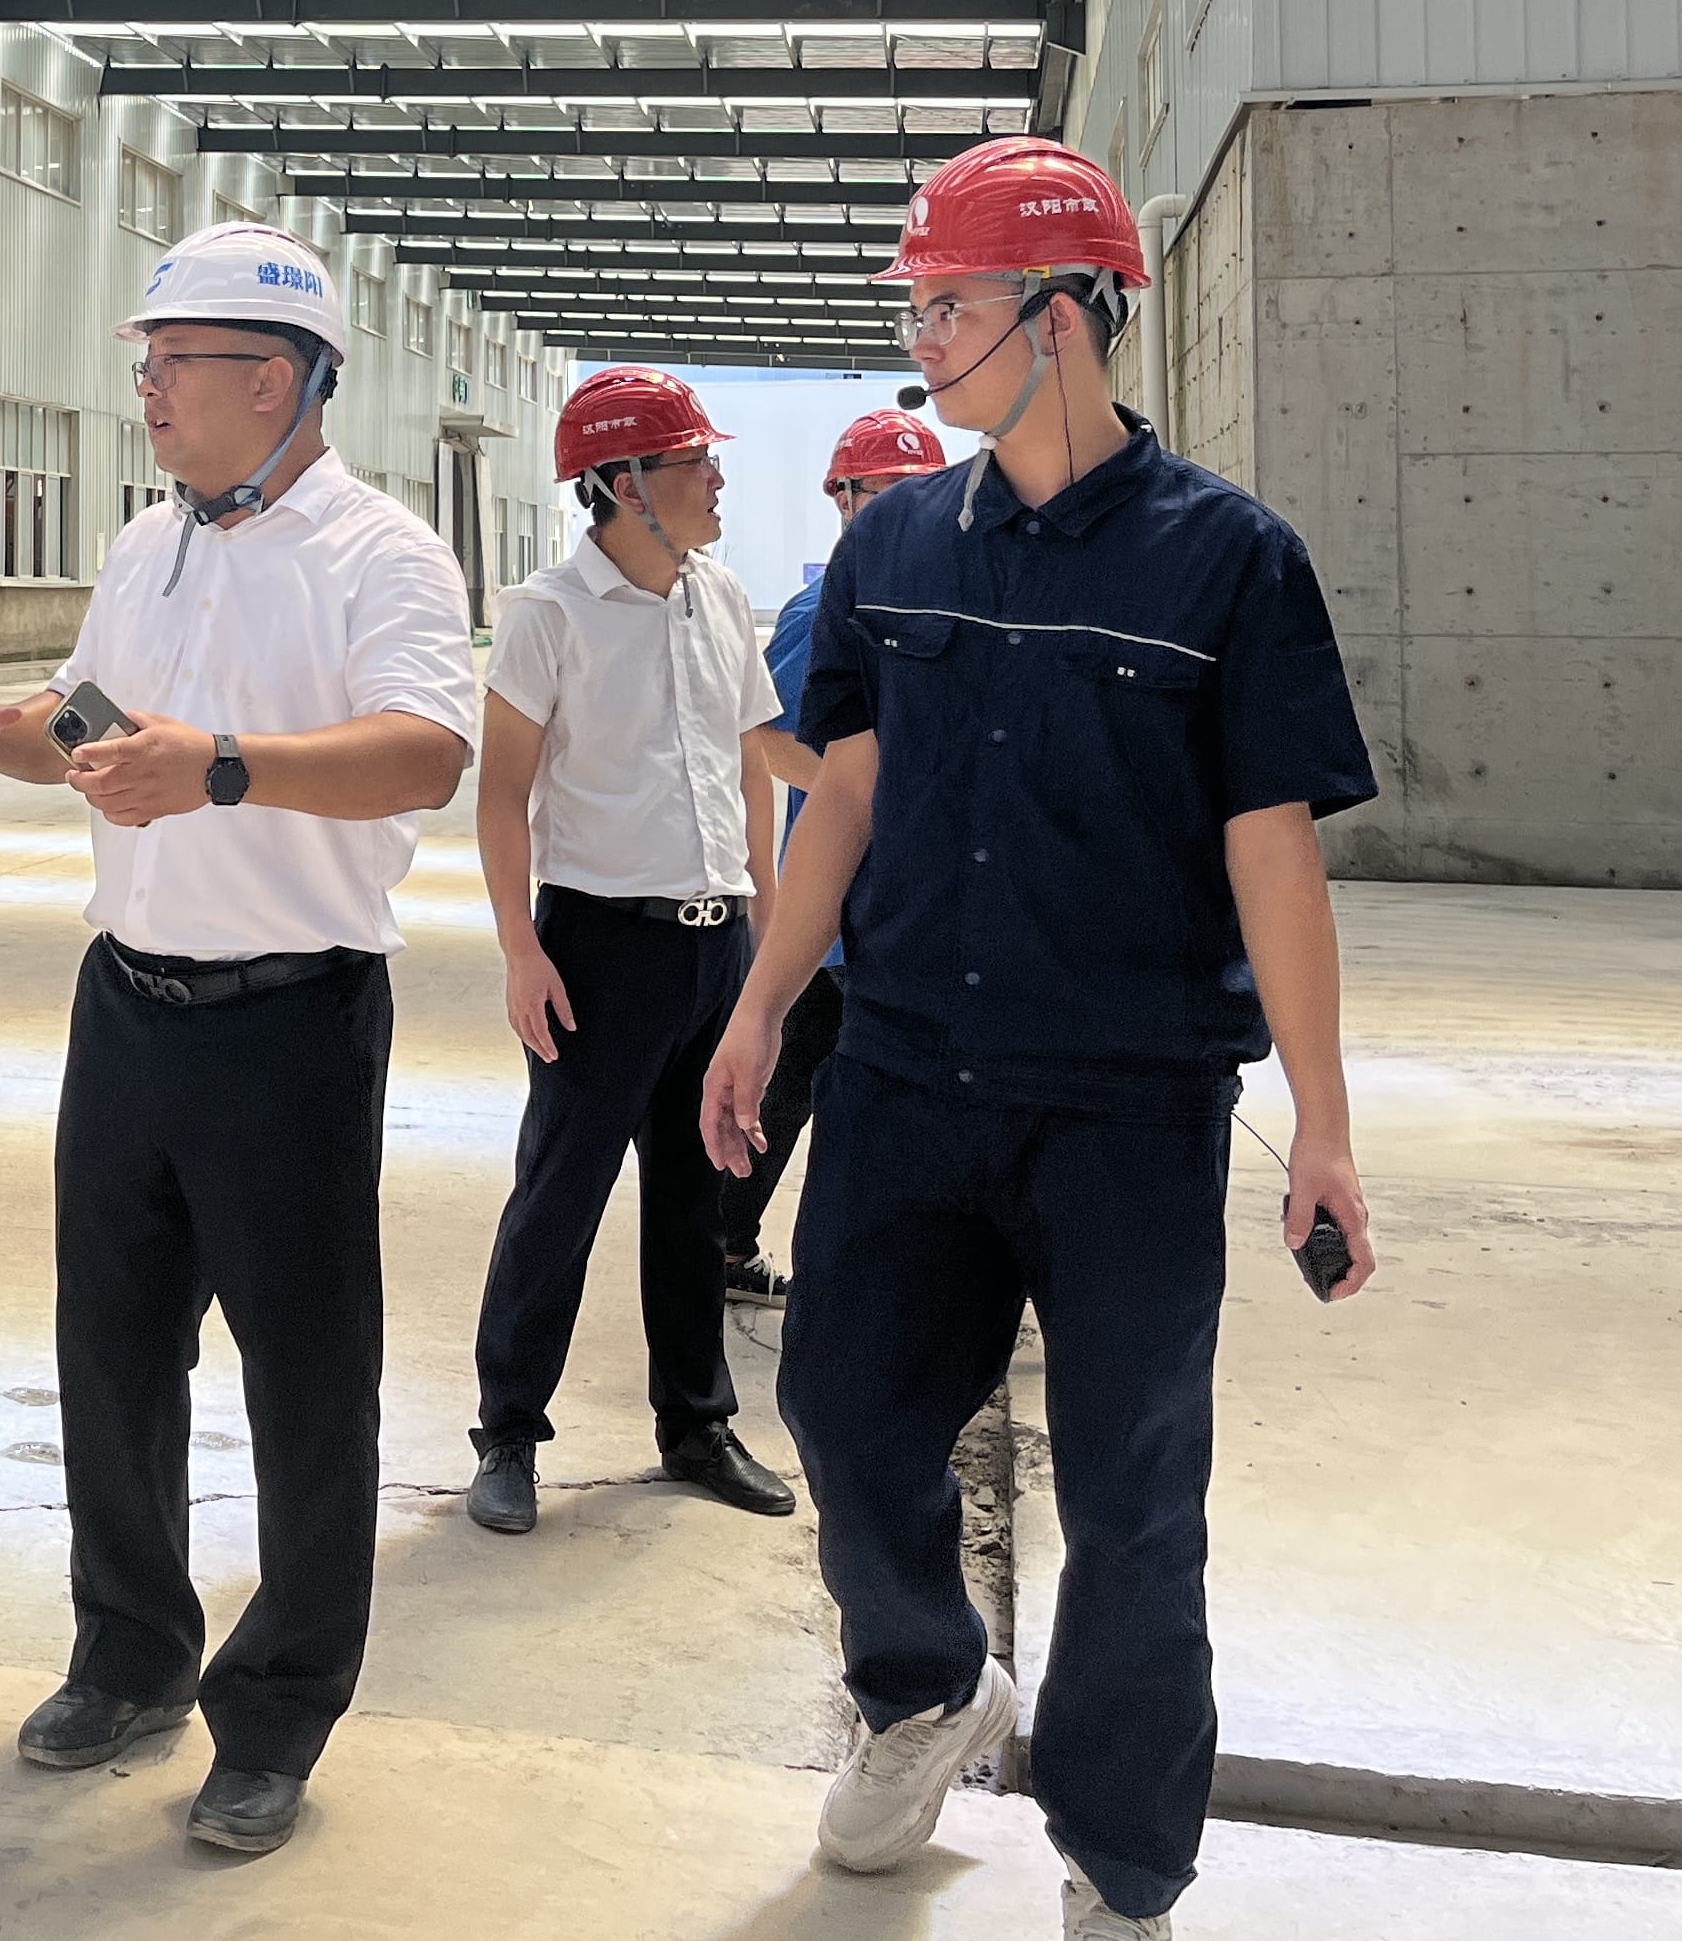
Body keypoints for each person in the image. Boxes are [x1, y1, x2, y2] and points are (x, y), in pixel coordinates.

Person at [701, 137, 1380, 1941]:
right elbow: (844, 799)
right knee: (840, 1409)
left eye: (953, 304)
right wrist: (762, 1004)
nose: (922, 340)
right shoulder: (895, 544)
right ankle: (927, 1683)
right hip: (907, 1076)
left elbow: (1274, 851)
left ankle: (1122, 1853)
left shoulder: (1227, 560)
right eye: (917, 307)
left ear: (1065, 314)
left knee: (1136, 1494)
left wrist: (1320, 1122)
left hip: (1129, 1106)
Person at [0, 221, 475, 1861]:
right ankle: (132, 1652)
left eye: (171, 362)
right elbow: (92, 720)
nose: (144, 389)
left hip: (290, 1017)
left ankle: (277, 1710)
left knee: (305, 1380)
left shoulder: (380, 554)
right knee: (113, 1350)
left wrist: (221, 764)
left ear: (273, 378)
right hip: (128, 1005)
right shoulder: (150, 544)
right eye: (143, 361)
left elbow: (423, 751)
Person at [461, 367, 794, 1539]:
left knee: (697, 1193)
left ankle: (695, 1423)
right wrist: (521, 950)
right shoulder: (548, 614)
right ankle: (509, 1431)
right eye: (695, 461)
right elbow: (501, 796)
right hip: (599, 949)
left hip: (717, 942)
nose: (717, 480)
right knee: (561, 1194)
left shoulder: (721, 597)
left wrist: (768, 930)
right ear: (624, 484)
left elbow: (755, 764)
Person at [719, 403, 948, 1303]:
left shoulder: (956, 598)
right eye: (884, 493)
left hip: (915, 910)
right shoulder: (823, 610)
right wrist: (888, 801)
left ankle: (729, 1244)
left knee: (801, 1086)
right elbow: (771, 740)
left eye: (919, 492)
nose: (903, 510)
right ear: (844, 500)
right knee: (826, 1095)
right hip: (841, 913)